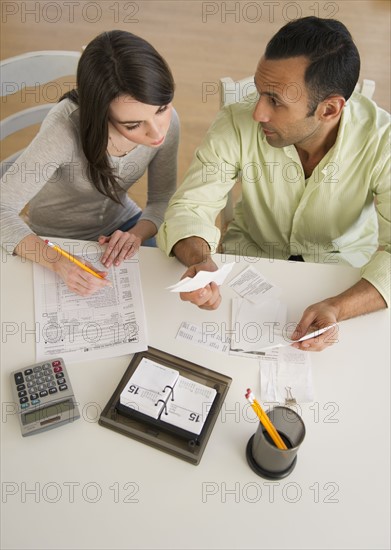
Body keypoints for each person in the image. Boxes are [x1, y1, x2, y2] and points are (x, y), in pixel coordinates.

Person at [157, 16, 390, 352]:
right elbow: (189, 207)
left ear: (329, 109)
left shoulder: (383, 141)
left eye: (276, 101)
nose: (258, 113)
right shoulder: (235, 124)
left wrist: (339, 307)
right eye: (259, 91)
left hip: (345, 277)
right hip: (248, 266)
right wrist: (199, 259)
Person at [0, 30, 179, 296]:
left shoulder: (167, 121)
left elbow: (162, 198)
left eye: (161, 109)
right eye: (132, 125)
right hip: (56, 239)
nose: (157, 133)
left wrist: (137, 234)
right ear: (99, 114)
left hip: (124, 224)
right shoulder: (64, 129)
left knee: (161, 299)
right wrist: (57, 262)